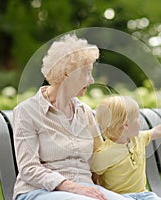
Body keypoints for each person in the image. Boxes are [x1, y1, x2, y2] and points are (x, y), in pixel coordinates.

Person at [12, 34, 132, 200]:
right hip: (40, 191)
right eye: (87, 73)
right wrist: (73, 187)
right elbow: (28, 168)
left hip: (85, 189)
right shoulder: (27, 111)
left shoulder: (85, 112)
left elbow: (98, 157)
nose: (91, 80)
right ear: (67, 73)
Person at [91, 96, 161, 200]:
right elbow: (94, 176)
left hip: (143, 194)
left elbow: (158, 131)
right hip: (119, 197)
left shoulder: (138, 138)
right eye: (137, 117)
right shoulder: (104, 154)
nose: (140, 121)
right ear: (125, 124)